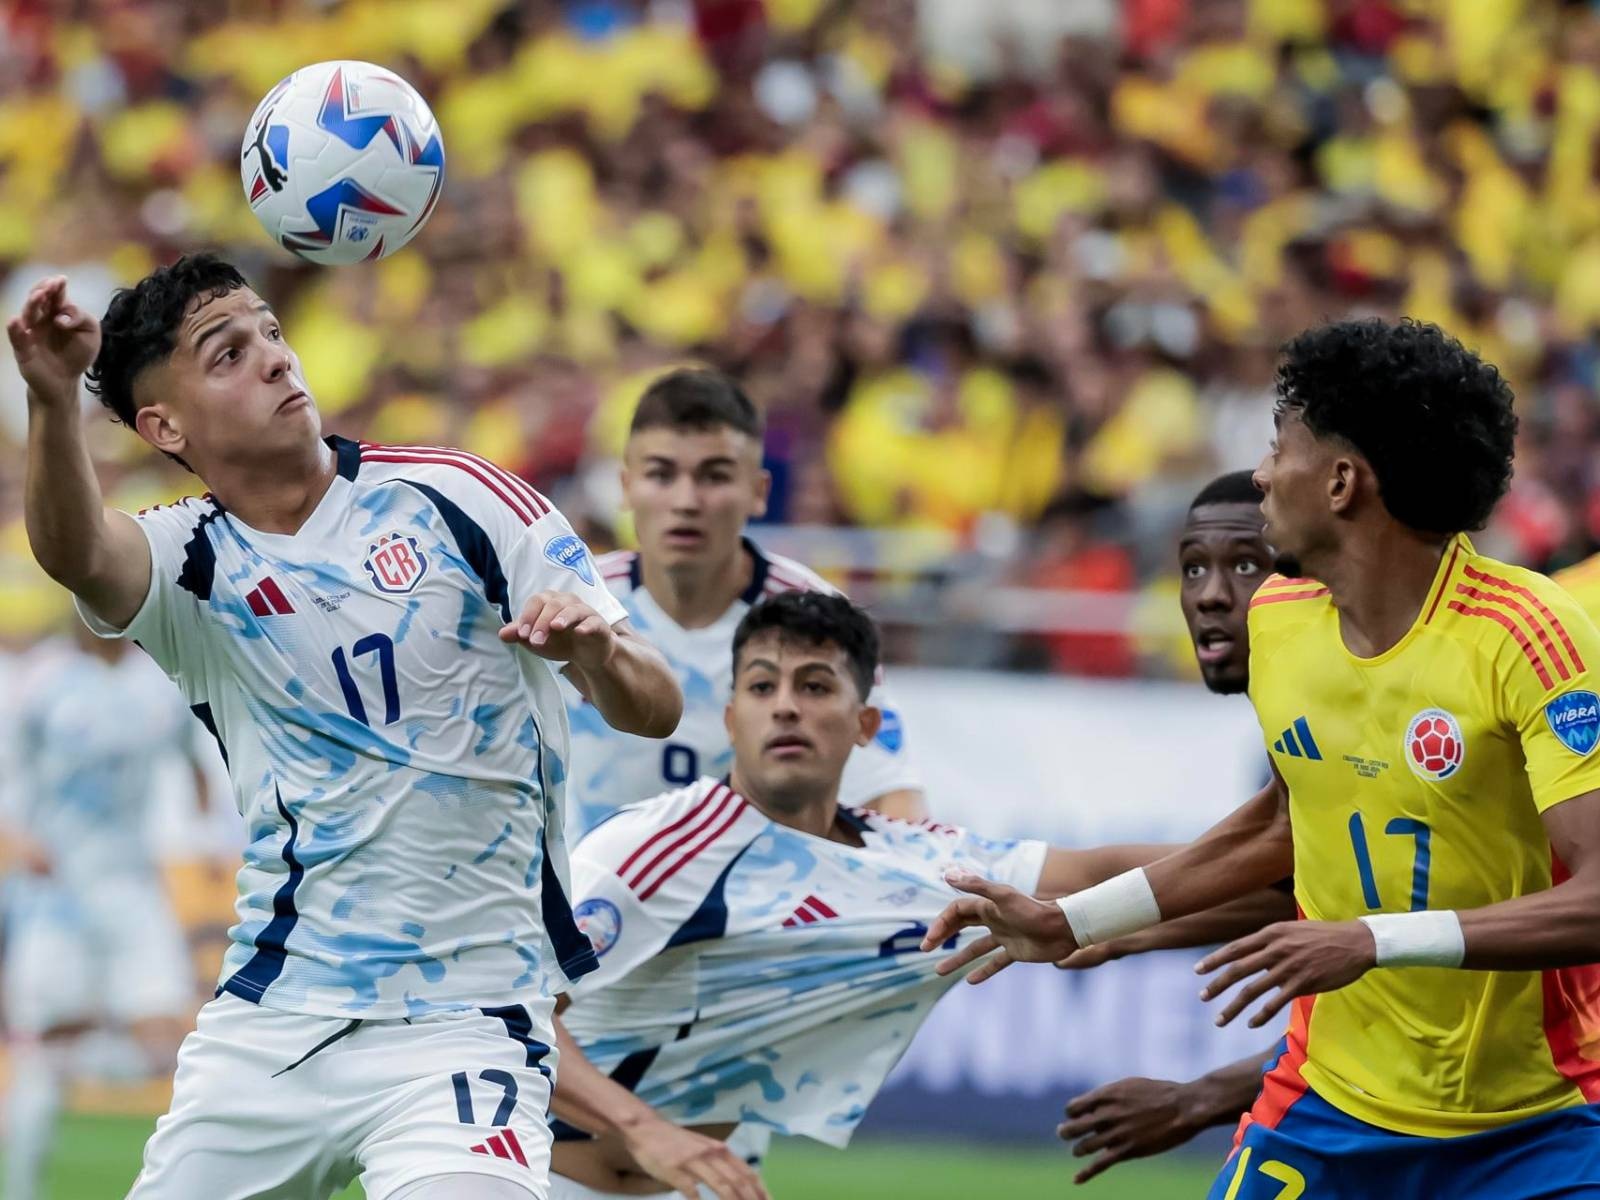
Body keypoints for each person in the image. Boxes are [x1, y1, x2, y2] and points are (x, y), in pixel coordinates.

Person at [7, 256, 682, 1200]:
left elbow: (655, 703)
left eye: (272, 334)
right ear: (165, 425)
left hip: (470, 1019)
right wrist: (47, 400)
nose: (278, 362)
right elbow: (77, 553)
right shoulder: (190, 562)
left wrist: (599, 655)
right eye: (229, 354)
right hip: (274, 1021)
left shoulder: (460, 498)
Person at [924, 319, 1600, 1198]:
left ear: (1342, 481)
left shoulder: (1530, 637)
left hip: (1540, 1124)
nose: (1260, 474)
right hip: (1329, 1109)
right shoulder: (1279, 621)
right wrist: (1078, 921)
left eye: (1279, 448)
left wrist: (1371, 941)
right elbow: (1285, 822)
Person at [545, 591, 1199, 1200]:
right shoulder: (657, 848)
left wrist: (1289, 858)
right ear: (730, 720)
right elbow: (504, 1006)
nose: (785, 707)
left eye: (815, 686)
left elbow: (1096, 872)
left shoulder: (907, 858)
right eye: (762, 686)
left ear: (865, 725)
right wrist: (641, 1129)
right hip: (537, 1178)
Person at [565, 366, 923, 843]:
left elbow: (891, 801)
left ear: (758, 492)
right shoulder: (574, 606)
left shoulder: (820, 618)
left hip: (758, 909)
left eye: (714, 476)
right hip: (582, 907)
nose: (687, 500)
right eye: (661, 474)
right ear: (627, 487)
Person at [1058, 470, 1296, 1184]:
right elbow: (1298, 882)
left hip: (1501, 1111)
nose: (1211, 595)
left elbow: (1400, 956)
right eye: (1193, 568)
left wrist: (1202, 1098)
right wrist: (1117, 929)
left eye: (1247, 565)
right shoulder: (1293, 723)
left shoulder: (1375, 709)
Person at [1, 625, 208, 1200]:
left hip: (132, 885)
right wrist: (18, 839)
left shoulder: (159, 684)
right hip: (56, 891)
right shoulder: (39, 681)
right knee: (45, 1041)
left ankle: (184, 1178)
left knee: (173, 1032)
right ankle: (21, 1185)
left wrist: (206, 823)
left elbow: (195, 760)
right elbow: (9, 772)